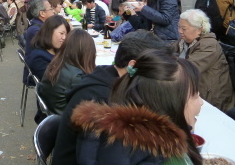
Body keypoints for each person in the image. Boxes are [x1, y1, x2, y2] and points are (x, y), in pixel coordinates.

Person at [52, 30, 172, 165]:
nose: (158, 77)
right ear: (133, 65)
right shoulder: (101, 98)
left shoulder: (106, 76)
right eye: (156, 69)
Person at [68, 49, 203, 165]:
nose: (201, 102)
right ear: (171, 104)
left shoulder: (106, 138)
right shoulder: (169, 158)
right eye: (195, 95)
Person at [175, 9, 235, 112]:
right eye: (179, 27)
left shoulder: (209, 45)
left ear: (199, 29)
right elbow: (166, 51)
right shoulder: (184, 41)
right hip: (196, 93)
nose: (180, 31)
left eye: (184, 28)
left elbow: (188, 68)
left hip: (212, 100)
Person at [39, 29, 95, 115]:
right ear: (88, 52)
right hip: (64, 120)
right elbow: (86, 105)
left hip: (52, 113)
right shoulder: (77, 76)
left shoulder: (57, 62)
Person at [26, 15, 70, 81]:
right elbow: (53, 81)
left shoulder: (53, 49)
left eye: (66, 35)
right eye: (61, 33)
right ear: (49, 32)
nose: (64, 38)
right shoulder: (39, 57)